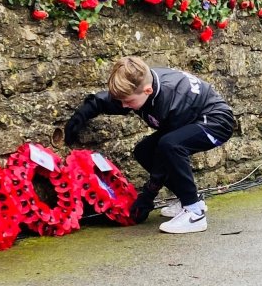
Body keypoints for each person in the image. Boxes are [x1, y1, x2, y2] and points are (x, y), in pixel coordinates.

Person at [64, 56, 234, 234]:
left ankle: (194, 212)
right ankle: (187, 199)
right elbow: (112, 100)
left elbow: (164, 156)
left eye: (129, 102)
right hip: (191, 119)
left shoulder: (172, 101)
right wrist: (81, 115)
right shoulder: (140, 84)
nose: (124, 106)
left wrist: (148, 195)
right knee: (143, 151)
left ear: (147, 91)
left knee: (170, 146)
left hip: (216, 122)